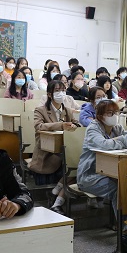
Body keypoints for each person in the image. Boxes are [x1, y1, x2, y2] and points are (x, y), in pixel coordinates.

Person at [77, 99, 127, 253]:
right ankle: (126, 234)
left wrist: (120, 139)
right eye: (109, 113)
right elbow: (103, 145)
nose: (114, 116)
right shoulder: (93, 128)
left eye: (116, 112)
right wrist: (123, 140)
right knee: (118, 190)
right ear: (100, 115)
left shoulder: (117, 127)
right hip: (89, 176)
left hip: (112, 173)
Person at [29, 81, 80, 214]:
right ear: (49, 94)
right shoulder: (40, 110)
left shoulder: (67, 110)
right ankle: (56, 197)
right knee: (73, 166)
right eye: (57, 91)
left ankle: (56, 194)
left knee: (77, 165)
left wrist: (74, 126)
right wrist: (60, 125)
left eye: (63, 90)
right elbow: (39, 126)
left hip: (66, 150)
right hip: (47, 153)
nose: (61, 93)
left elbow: (77, 124)